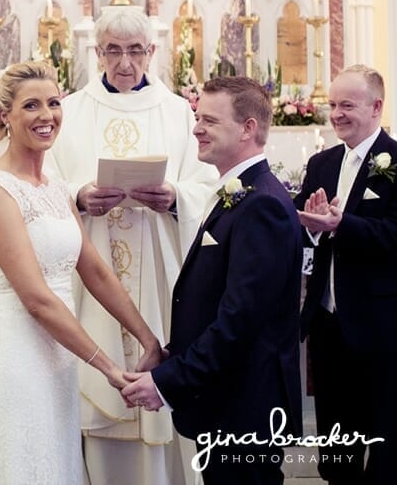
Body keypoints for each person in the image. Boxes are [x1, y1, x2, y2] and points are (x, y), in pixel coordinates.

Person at [0, 60, 164, 484]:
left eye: (53, 103)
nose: (46, 115)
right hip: (13, 359)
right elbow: (36, 297)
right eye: (31, 106)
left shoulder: (53, 185)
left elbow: (96, 271)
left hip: (57, 362)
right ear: (3, 116)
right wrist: (107, 367)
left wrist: (148, 337)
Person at [49, 8, 216, 485]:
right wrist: (78, 197)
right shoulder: (70, 111)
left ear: (152, 52)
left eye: (136, 50)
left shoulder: (177, 112)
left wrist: (175, 197)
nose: (125, 62)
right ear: (97, 53)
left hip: (160, 273)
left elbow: (208, 182)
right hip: (90, 271)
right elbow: (45, 183)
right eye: (114, 51)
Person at [122, 76, 303, 485]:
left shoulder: (262, 206)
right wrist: (172, 354)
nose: (196, 129)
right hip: (226, 398)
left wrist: (169, 382)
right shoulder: (239, 193)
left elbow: (239, 322)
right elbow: (215, 301)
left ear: (248, 129)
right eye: (197, 117)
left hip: (246, 406)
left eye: (210, 121)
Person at [294, 65, 397, 484]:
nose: (336, 113)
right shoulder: (321, 163)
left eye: (347, 105)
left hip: (381, 326)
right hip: (328, 324)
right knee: (336, 447)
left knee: (386, 439)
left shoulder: (395, 161)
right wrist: (310, 227)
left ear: (376, 107)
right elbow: (303, 227)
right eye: (332, 104)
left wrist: (342, 225)